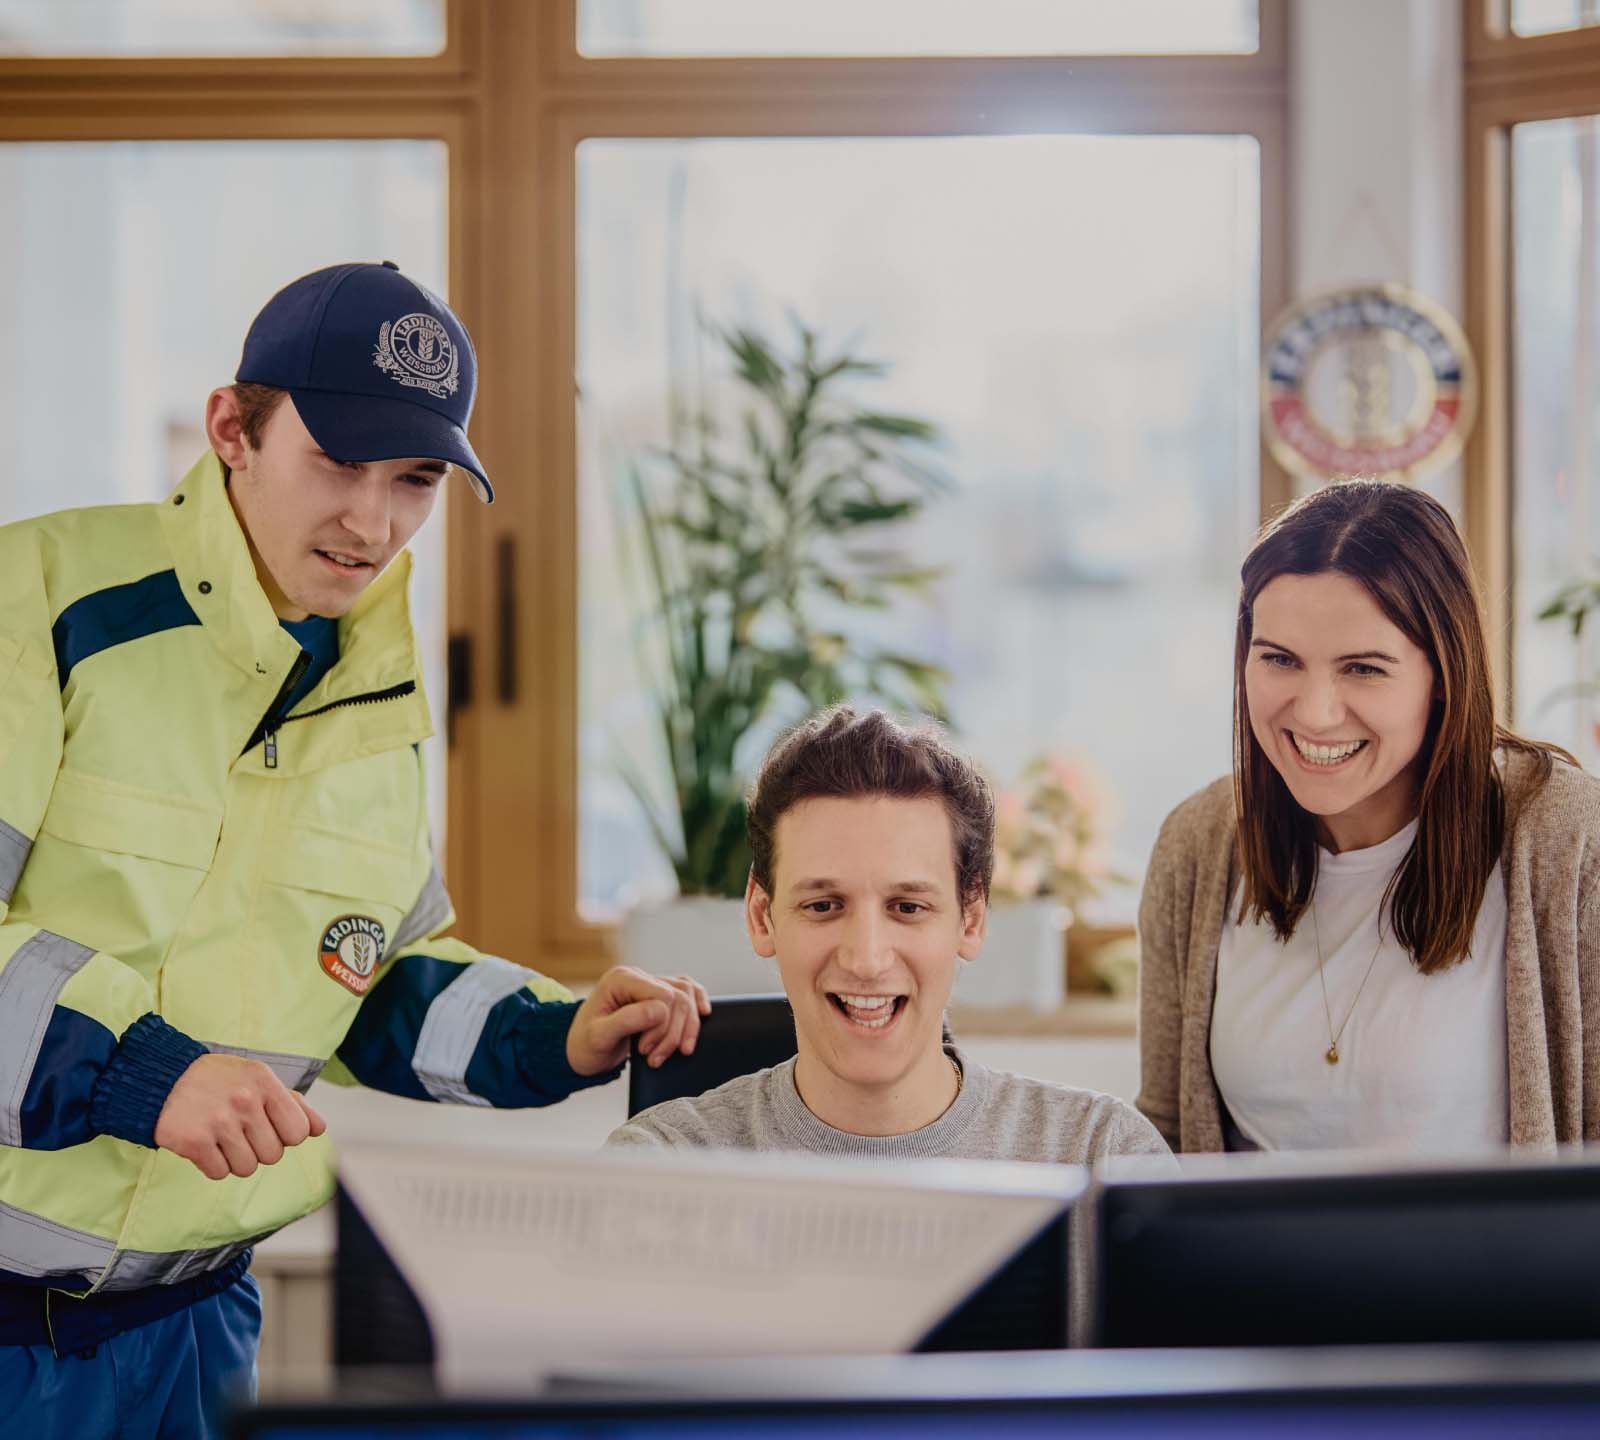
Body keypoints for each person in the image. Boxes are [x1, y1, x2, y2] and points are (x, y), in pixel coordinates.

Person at [0, 261, 709, 1436]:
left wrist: (554, 1035)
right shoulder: (41, 602)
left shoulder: (376, 702)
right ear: (233, 427)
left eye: (415, 479)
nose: (371, 523)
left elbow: (360, 973)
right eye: (335, 462)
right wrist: (142, 1074)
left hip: (197, 1334)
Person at [1138, 478, 1599, 1154]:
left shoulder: (1569, 838)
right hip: (1253, 1266)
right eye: (1279, 659)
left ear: (1442, 674)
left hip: (1494, 1265)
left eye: (1363, 669)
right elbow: (1166, 1140)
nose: (1315, 711)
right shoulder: (1200, 843)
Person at [608, 706, 1169, 1165]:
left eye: (907, 906)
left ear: (970, 919)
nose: (867, 959)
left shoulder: (1102, 1159)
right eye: (824, 905)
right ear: (762, 915)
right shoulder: (659, 1168)